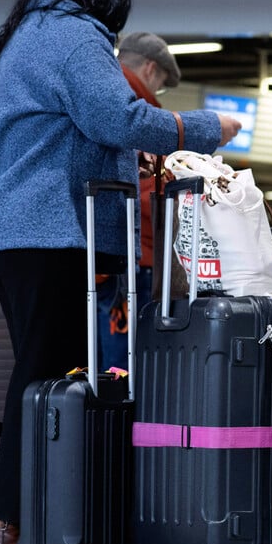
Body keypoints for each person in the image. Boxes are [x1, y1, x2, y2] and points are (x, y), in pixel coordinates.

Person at [0, 0, 241, 544]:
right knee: (44, 377)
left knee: (42, 377)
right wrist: (204, 127)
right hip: (53, 231)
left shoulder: (22, 38)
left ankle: (29, 523)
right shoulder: (74, 36)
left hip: (11, 233)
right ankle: (3, 526)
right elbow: (114, 116)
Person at [95, 31, 180, 371]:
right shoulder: (137, 114)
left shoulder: (98, 96)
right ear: (149, 69)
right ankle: (126, 425)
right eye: (160, 81)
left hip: (102, 263)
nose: (157, 90)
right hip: (133, 264)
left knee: (101, 361)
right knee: (129, 367)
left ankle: (97, 422)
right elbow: (145, 194)